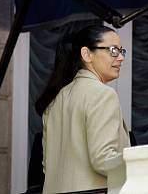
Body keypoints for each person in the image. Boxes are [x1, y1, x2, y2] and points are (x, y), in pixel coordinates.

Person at [35, 25, 130, 194]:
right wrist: (141, 165)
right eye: (113, 50)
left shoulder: (55, 99)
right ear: (87, 54)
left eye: (121, 51)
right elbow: (103, 160)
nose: (121, 57)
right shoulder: (103, 94)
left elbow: (46, 167)